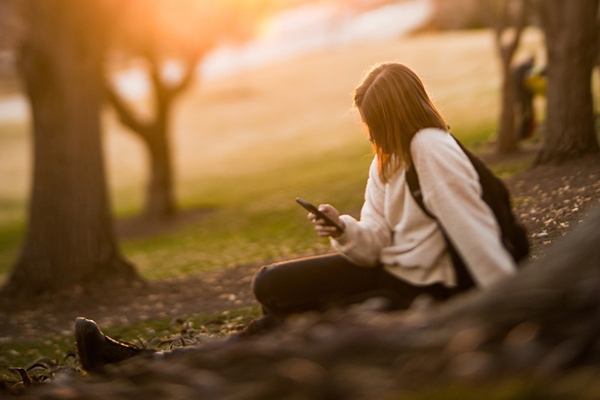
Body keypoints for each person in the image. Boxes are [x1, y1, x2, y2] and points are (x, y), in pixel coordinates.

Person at [74, 62, 518, 373]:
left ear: (393, 114)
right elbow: (375, 241)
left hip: (430, 286)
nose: (370, 132)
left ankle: (139, 366)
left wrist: (509, 306)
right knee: (272, 289)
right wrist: (343, 230)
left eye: (374, 121)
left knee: (279, 307)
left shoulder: (430, 148)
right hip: (393, 270)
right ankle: (143, 365)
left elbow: (472, 228)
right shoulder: (387, 161)